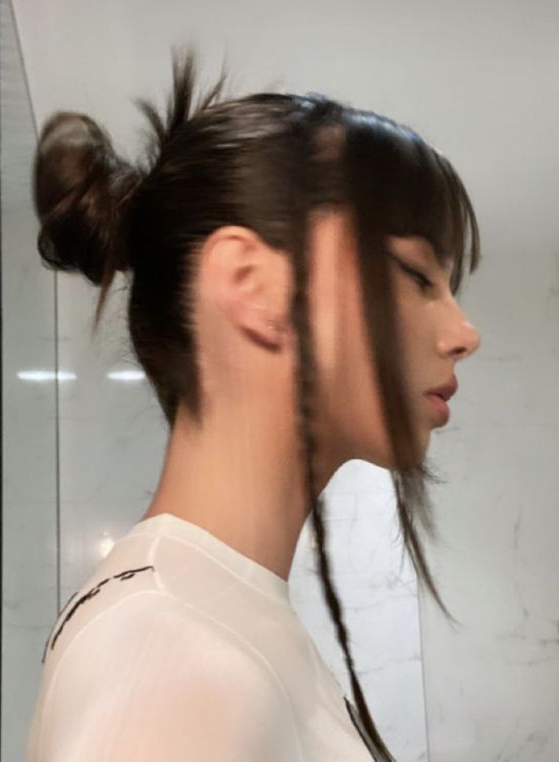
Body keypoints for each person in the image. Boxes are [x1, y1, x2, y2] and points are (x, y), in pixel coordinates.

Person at [24, 48, 481, 762]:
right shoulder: (170, 657)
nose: (463, 333)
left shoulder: (207, 623)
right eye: (419, 275)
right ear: (251, 283)